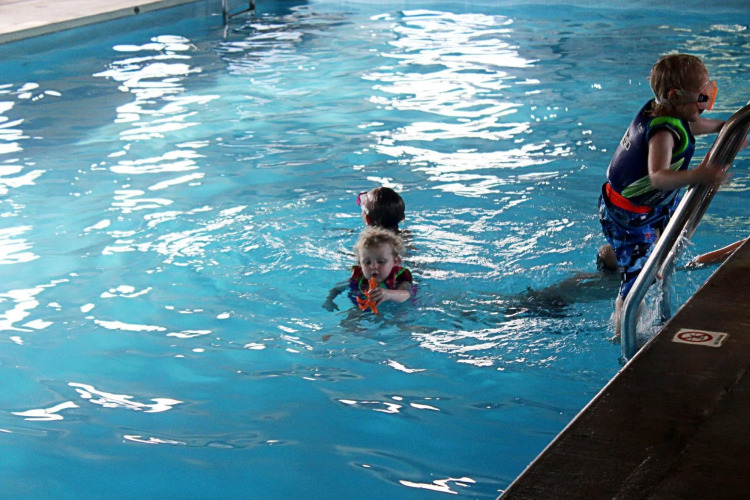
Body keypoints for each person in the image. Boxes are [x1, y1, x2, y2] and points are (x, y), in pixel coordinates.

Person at [599, 53, 729, 339]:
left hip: (647, 207)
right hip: (629, 215)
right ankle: (623, 337)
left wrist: (725, 128)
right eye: (702, 98)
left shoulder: (669, 113)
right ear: (674, 96)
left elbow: (691, 126)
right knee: (637, 284)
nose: (706, 104)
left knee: (662, 246)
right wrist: (701, 174)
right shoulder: (663, 133)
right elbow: (658, 176)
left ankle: (616, 257)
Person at [323, 226, 413, 311]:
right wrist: (329, 300)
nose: (373, 267)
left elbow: (406, 294)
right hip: (365, 308)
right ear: (360, 264)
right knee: (351, 317)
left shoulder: (399, 279)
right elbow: (337, 289)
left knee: (401, 317)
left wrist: (388, 294)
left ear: (395, 261)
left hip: (395, 310)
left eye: (381, 261)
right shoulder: (359, 278)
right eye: (367, 262)